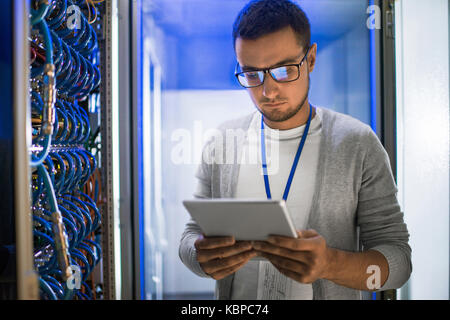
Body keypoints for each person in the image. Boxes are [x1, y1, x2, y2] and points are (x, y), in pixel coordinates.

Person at [179, 0, 411, 300]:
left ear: (310, 59)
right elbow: (189, 236)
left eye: (285, 70)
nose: (268, 91)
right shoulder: (223, 140)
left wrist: (330, 264)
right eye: (252, 74)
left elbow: (400, 264)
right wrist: (200, 259)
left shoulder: (358, 142)